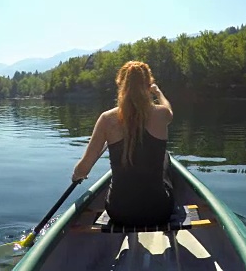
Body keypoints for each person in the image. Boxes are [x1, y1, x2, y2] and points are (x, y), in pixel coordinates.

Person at [71, 60, 174, 226]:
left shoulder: (107, 119)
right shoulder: (161, 114)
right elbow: (169, 110)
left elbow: (84, 168)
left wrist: (77, 174)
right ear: (148, 85)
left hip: (119, 213)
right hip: (159, 212)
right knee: (166, 159)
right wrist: (158, 93)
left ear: (121, 86)